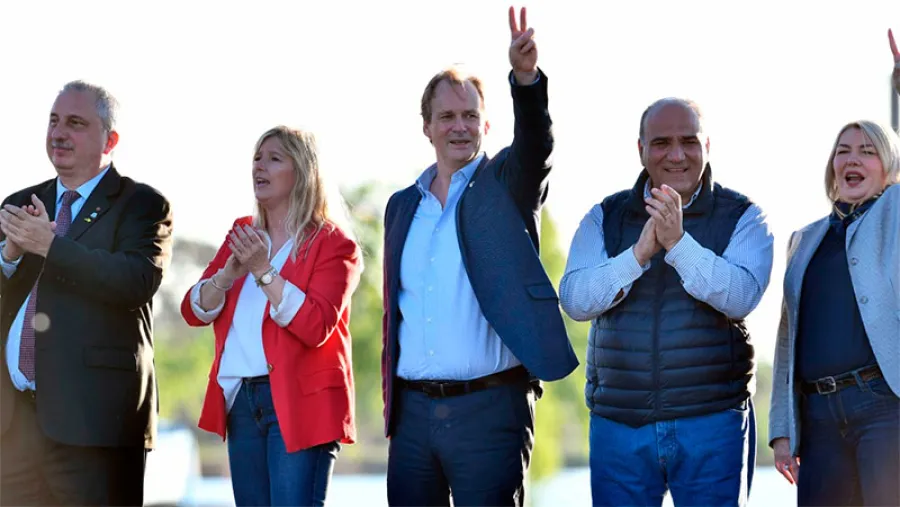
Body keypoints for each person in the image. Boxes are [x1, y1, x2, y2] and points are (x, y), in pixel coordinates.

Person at [380, 6, 578, 506]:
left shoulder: (507, 185)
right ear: (426, 126)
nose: (459, 126)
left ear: (486, 124)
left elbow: (537, 144)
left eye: (470, 115)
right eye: (447, 116)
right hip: (412, 418)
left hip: (491, 411)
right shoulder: (402, 207)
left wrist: (526, 78)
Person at [560, 97, 774, 506]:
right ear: (640, 149)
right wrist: (637, 255)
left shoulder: (745, 216)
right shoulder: (603, 217)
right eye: (661, 142)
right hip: (618, 425)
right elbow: (574, 300)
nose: (677, 154)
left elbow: (742, 296)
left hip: (712, 423)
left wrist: (677, 243)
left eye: (689, 141)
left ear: (707, 146)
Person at [0, 80, 173, 505]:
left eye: (75, 123)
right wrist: (9, 256)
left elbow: (134, 281)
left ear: (109, 139)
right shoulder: (21, 202)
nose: (59, 133)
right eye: (54, 121)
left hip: (95, 426)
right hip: (15, 428)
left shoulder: (142, 205)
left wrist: (50, 246)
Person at [180, 126, 362, 507]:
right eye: (257, 158)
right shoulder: (243, 232)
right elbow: (193, 311)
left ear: (303, 171)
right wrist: (228, 275)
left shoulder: (334, 245)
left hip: (301, 405)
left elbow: (315, 327)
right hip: (243, 405)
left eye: (274, 158)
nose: (259, 166)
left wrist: (264, 271)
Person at [768, 116, 900, 504]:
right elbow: (786, 341)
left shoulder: (894, 215)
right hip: (819, 419)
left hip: (883, 408)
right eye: (843, 151)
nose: (852, 159)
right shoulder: (804, 240)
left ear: (890, 166)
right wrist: (782, 430)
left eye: (867, 151)